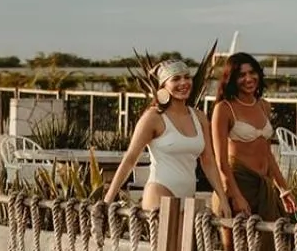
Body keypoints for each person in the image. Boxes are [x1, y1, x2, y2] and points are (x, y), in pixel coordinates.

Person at [210, 51, 297, 251]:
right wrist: (235, 196)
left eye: (252, 73)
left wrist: (283, 189)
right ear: (232, 78)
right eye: (241, 74)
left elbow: (267, 155)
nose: (248, 79)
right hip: (235, 184)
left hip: (262, 186)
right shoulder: (224, 109)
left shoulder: (264, 105)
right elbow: (221, 162)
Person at [102, 59, 245, 214]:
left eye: (187, 77)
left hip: (188, 198)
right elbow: (130, 159)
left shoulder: (199, 117)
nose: (183, 83)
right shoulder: (153, 117)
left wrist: (222, 198)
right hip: (160, 193)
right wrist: (108, 200)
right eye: (176, 79)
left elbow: (208, 161)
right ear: (163, 85)